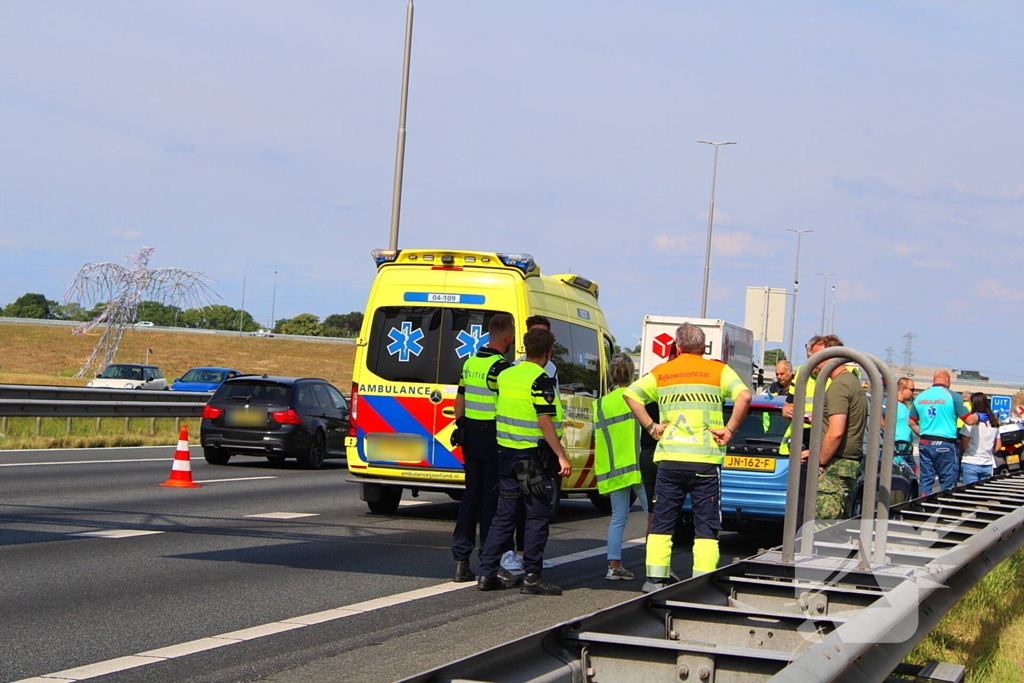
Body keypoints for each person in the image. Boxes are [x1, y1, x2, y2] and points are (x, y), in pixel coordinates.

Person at [624, 323, 751, 593]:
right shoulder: (718, 370)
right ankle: (702, 584)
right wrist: (729, 430)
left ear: (678, 346)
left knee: (662, 521)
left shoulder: (663, 372)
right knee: (706, 524)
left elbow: (631, 394)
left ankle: (654, 580)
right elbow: (744, 396)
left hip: (670, 460)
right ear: (704, 347)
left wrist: (651, 426)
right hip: (705, 461)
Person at [477, 328, 572, 596]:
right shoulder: (541, 380)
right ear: (549, 353)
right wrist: (561, 455)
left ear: (524, 349)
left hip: (505, 455)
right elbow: (544, 422)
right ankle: (532, 575)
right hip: (530, 459)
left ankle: (487, 572)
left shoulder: (504, 374)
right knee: (536, 515)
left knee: (504, 515)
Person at [450, 313, 515, 582]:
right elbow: (507, 407)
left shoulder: (470, 363)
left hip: (470, 435)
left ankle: (460, 561)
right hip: (492, 438)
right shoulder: (501, 368)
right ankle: (489, 561)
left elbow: (459, 400)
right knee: (491, 502)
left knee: (470, 498)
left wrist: (462, 426)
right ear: (508, 338)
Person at [502, 315, 560, 574]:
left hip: (523, 448)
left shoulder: (550, 369)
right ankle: (524, 565)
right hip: (527, 449)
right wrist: (561, 454)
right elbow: (544, 417)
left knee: (520, 509)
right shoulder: (517, 369)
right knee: (529, 510)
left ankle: (523, 556)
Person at [798, 335, 868, 520]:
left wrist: (819, 462)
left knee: (823, 526)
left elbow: (836, 432)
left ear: (829, 357)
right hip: (846, 465)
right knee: (836, 525)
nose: (814, 365)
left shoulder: (839, 386)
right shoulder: (852, 383)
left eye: (816, 358)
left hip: (835, 467)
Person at [594, 353, 649, 581]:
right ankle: (656, 565)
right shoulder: (637, 397)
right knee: (652, 515)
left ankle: (613, 566)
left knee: (618, 518)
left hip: (614, 467)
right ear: (632, 372)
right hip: (638, 465)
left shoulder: (601, 403)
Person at [911, 370, 977, 493]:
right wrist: (978, 416)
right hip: (946, 444)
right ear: (948, 380)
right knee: (948, 480)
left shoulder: (920, 397)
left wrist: (923, 433)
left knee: (925, 479)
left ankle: (924, 506)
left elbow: (911, 421)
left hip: (925, 442)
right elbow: (969, 420)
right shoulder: (953, 396)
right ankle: (947, 506)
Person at [959, 392, 1001, 485]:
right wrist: (988, 452)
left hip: (970, 462)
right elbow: (998, 445)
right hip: (987, 463)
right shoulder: (994, 423)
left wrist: (961, 453)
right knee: (983, 494)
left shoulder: (970, 423)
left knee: (969, 493)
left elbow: (964, 444)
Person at [882, 377, 916, 456]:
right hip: (896, 446)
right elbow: (878, 417)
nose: (913, 393)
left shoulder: (904, 405)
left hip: (906, 447)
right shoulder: (889, 402)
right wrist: (888, 433)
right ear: (903, 390)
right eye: (912, 390)